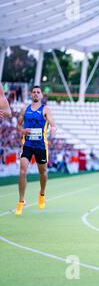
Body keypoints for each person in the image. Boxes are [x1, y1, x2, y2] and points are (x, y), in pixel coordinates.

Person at [15, 86, 57, 216]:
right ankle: (21, 201)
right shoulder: (25, 109)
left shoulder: (45, 109)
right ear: (30, 94)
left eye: (38, 92)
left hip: (41, 146)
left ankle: (42, 193)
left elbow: (52, 124)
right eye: (34, 92)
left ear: (41, 95)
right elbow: (18, 126)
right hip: (27, 144)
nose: (36, 94)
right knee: (22, 170)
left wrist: (54, 129)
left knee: (42, 172)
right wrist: (22, 131)